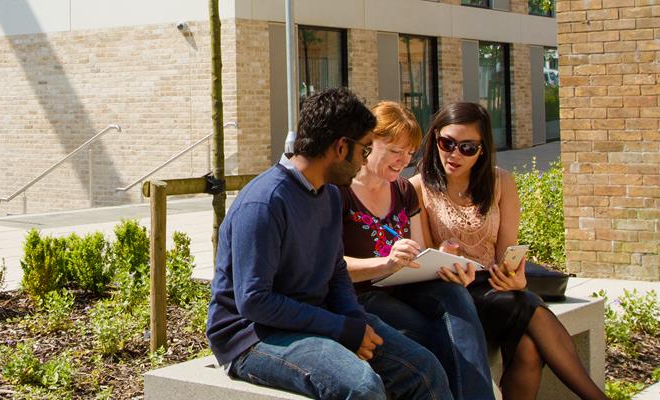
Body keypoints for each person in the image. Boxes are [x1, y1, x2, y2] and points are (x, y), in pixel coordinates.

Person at [207, 88, 452, 400]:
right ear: (340, 148)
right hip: (252, 336)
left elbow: (336, 269)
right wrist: (340, 329)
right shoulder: (264, 202)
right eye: (364, 150)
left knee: (424, 368)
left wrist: (354, 320)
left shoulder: (330, 194)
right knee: (361, 387)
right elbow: (255, 301)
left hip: (316, 317)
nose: (364, 161)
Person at [412, 102, 607, 400]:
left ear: (482, 149)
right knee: (527, 305)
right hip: (453, 293)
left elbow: (507, 254)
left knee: (529, 346)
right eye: (447, 143)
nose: (454, 154)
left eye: (467, 147)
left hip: (497, 287)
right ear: (435, 138)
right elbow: (425, 260)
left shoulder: (501, 181)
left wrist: (516, 279)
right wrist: (442, 253)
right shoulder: (418, 187)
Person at [338, 102, 495, 399]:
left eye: (409, 153)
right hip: (363, 294)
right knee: (434, 335)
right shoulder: (339, 191)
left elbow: (420, 252)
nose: (403, 161)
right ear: (369, 142)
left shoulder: (403, 189)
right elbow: (331, 265)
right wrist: (385, 263)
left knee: (456, 294)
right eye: (395, 151)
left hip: (404, 286)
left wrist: (443, 258)